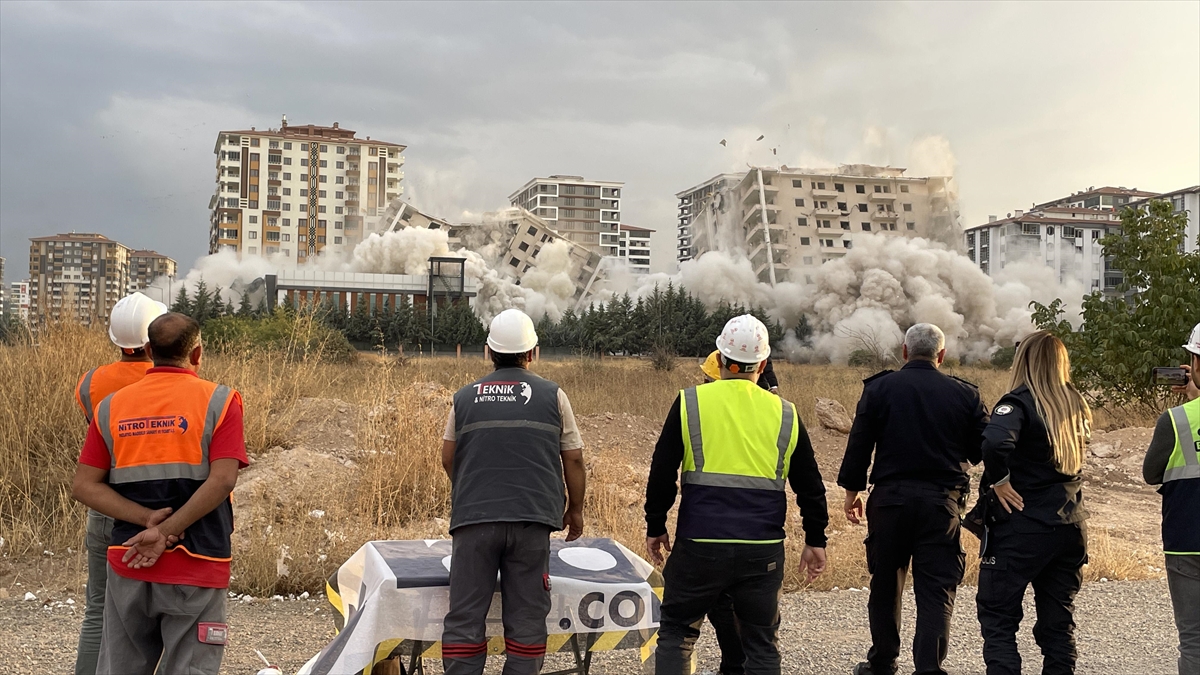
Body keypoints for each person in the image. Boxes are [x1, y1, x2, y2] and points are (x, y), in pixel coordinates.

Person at [646, 315, 828, 675]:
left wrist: (656, 525)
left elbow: (662, 471)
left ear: (720, 357)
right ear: (763, 364)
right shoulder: (786, 414)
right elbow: (810, 485)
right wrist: (815, 538)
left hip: (699, 544)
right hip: (761, 551)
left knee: (678, 633)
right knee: (760, 644)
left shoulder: (689, 403)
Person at [71, 312, 248, 675]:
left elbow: (84, 486)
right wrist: (166, 531)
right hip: (198, 563)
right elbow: (222, 480)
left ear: (149, 350)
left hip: (129, 559)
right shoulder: (221, 401)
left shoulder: (111, 406)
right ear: (197, 354)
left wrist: (147, 521)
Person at [440, 308, 587, 675]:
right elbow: (574, 461)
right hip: (532, 522)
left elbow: (447, 458)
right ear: (533, 352)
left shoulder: (464, 397)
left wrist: (472, 490)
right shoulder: (554, 396)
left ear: (488, 352)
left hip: (474, 522)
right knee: (526, 621)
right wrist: (576, 509)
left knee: (465, 618)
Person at [837, 323, 989, 675]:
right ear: (942, 355)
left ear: (904, 351)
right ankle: (928, 669)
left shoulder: (879, 389)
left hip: (890, 502)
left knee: (886, 583)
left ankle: (882, 664)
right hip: (942, 504)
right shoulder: (966, 394)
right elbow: (982, 449)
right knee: (936, 589)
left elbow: (859, 444)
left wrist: (851, 493)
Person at [975, 330, 1091, 675]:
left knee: (998, 618)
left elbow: (995, 443)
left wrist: (999, 480)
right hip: (1070, 525)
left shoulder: (1019, 402)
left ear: (1023, 360)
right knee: (1058, 624)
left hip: (1023, 525)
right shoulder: (1075, 403)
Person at [72, 292, 168, 675]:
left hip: (105, 505)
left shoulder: (91, 383)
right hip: (161, 513)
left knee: (99, 608)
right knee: (165, 612)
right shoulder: (171, 381)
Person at [1143, 322, 1200, 675]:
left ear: (1195, 363)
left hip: (1186, 540)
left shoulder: (1176, 420)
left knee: (1193, 640)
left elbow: (1152, 473)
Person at [698, 349, 750, 675]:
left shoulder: (704, 412)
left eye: (706, 379)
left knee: (715, 603)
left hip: (715, 524)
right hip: (756, 523)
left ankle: (736, 665)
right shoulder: (764, 411)